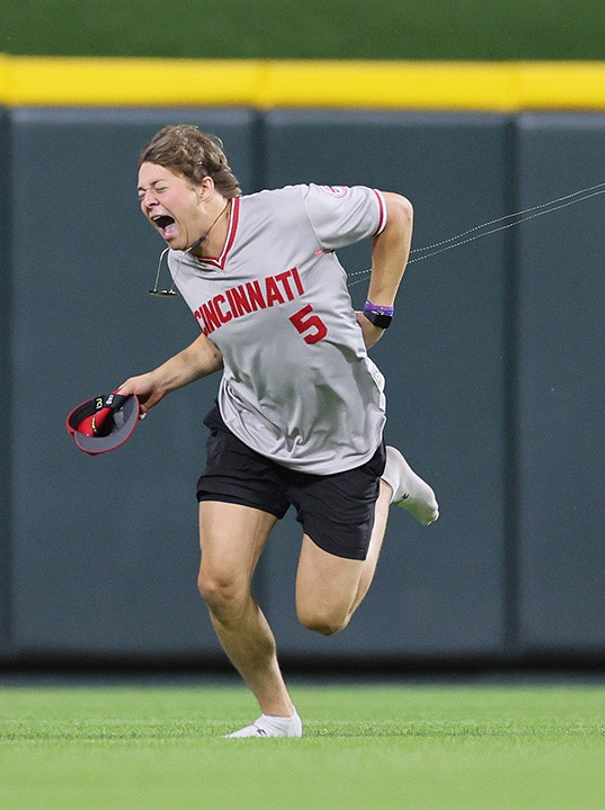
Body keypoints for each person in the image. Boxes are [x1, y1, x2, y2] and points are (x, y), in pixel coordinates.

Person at [117, 124, 439, 738]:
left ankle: (386, 481)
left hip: (341, 437)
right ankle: (277, 715)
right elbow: (227, 337)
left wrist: (379, 308)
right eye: (140, 193)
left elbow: (396, 213)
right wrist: (159, 378)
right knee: (218, 581)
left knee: (322, 617)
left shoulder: (294, 211)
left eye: (158, 187)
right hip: (252, 426)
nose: (147, 202)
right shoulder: (182, 263)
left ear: (204, 186)